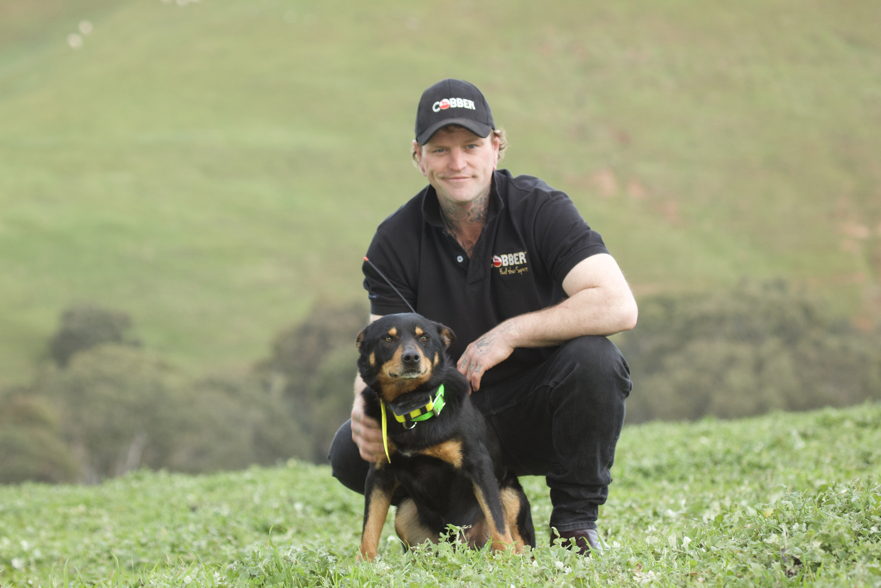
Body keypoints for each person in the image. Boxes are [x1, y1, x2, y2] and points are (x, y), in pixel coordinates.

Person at [328, 78, 637, 555]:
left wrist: (511, 332)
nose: (457, 163)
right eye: (440, 149)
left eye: (471, 146)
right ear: (419, 157)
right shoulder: (394, 240)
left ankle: (575, 525)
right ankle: (449, 529)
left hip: (536, 412)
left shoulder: (541, 209)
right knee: (351, 452)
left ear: (496, 147)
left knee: (596, 359)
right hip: (442, 414)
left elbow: (618, 305)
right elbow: (379, 341)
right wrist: (361, 405)